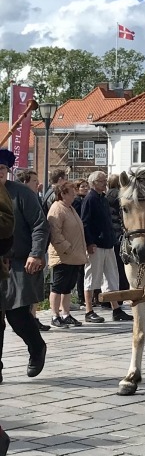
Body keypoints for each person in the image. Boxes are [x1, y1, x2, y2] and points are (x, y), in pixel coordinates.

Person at [0, 149, 49, 382]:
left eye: (1, 169)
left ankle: (36, 347)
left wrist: (36, 253)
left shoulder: (21, 194)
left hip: (19, 262)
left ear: (7, 171)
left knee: (17, 315)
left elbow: (40, 225)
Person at [81, 171, 133, 323]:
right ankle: (88, 310)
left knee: (112, 277)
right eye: (101, 181)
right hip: (96, 245)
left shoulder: (102, 198)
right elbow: (85, 222)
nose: (105, 183)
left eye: (105, 180)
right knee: (91, 277)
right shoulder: (90, 199)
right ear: (94, 183)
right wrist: (90, 242)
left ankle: (116, 308)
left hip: (108, 243)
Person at [47, 181, 87, 328]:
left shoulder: (69, 208)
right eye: (71, 192)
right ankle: (55, 316)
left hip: (74, 256)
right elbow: (55, 233)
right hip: (63, 256)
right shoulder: (57, 209)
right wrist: (67, 248)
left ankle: (66, 314)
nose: (74, 195)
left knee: (67, 287)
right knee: (58, 286)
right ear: (62, 194)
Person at [15, 169, 50, 331]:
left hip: (33, 253)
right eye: (34, 181)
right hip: (17, 256)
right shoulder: (15, 197)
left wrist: (37, 252)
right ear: (24, 183)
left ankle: (33, 318)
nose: (38, 184)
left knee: (32, 292)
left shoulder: (34, 198)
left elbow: (40, 226)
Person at [105, 174, 129, 294]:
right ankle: (122, 289)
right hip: (117, 231)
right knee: (120, 264)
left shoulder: (107, 194)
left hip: (112, 231)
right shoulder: (118, 195)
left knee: (114, 265)